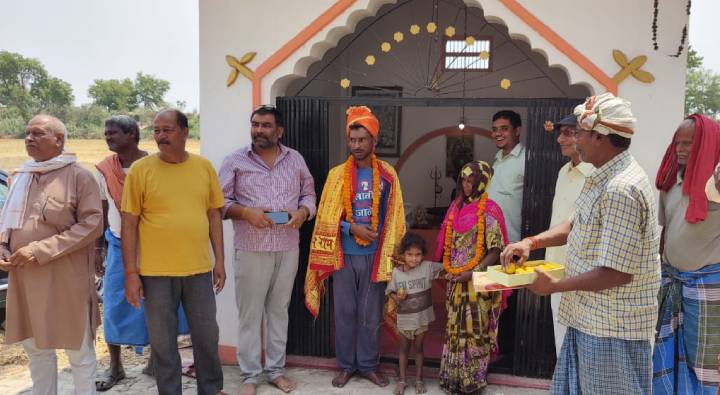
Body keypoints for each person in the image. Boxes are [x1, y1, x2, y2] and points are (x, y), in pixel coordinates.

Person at [501, 93, 660, 394]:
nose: (576, 141)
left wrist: (553, 286)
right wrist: (531, 242)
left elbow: (616, 273)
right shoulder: (601, 176)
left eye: (581, 134)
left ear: (600, 137)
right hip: (588, 318)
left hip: (611, 329)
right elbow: (574, 224)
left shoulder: (620, 189)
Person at [121, 109, 226, 395]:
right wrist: (131, 274)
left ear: (184, 132)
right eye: (156, 130)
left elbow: (214, 215)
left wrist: (220, 261)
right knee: (163, 343)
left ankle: (211, 389)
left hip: (199, 270)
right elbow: (129, 223)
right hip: (156, 273)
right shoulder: (141, 171)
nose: (160, 136)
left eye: (167, 130)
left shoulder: (203, 167)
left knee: (206, 337)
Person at [0, 114, 103, 394]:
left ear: (58, 140)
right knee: (37, 352)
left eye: (38, 133)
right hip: (26, 279)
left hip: (66, 280)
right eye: (27, 133)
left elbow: (92, 224)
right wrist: (3, 247)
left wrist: (38, 249)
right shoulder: (19, 176)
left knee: (79, 355)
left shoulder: (80, 176)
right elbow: (7, 224)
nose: (29, 139)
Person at [304, 106, 405, 388]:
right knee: (345, 313)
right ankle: (346, 366)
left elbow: (395, 215)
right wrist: (353, 228)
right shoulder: (337, 175)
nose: (357, 145)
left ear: (374, 141)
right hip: (344, 256)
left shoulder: (387, 174)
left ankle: (369, 365)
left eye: (363, 140)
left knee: (370, 314)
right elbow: (326, 217)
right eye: (353, 140)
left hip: (375, 256)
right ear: (348, 141)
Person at [219, 105, 316, 395]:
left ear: (279, 131)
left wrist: (304, 212)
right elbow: (218, 203)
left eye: (265, 125)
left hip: (287, 246)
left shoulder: (295, 159)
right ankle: (250, 375)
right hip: (251, 247)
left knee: (279, 311)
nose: (259, 130)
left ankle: (275, 371)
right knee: (250, 314)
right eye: (255, 124)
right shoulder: (235, 160)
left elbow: (309, 192)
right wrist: (246, 212)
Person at [94, 115, 191, 391]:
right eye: (106, 133)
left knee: (161, 305)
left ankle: (156, 362)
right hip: (117, 243)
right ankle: (116, 366)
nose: (108, 137)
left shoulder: (156, 165)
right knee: (114, 305)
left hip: (156, 245)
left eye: (113, 133)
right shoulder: (103, 170)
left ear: (133, 135)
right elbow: (103, 210)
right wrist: (98, 247)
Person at [652, 114, 720, 394]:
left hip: (706, 288)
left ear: (705, 144)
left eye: (689, 143)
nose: (680, 148)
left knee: (704, 363)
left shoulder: (714, 185)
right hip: (672, 283)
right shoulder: (670, 183)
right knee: (667, 355)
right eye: (677, 143)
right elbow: (666, 233)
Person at [435, 160, 509, 394]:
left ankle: (472, 381)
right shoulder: (455, 207)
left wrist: (472, 272)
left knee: (475, 331)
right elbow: (449, 246)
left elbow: (496, 251)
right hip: (456, 281)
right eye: (463, 180)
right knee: (453, 329)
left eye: (471, 180)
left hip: (477, 283)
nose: (466, 185)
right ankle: (452, 379)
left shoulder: (490, 210)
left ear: (482, 182)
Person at [545, 114, 595, 357]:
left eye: (569, 133)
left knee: (582, 345)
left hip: (582, 273)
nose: (560, 139)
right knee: (560, 339)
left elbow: (573, 227)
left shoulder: (595, 176)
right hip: (555, 268)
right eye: (560, 132)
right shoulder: (563, 171)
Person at [386, 233, 444, 395]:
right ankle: (402, 380)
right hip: (405, 319)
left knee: (419, 349)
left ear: (423, 255)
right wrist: (397, 297)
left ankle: (419, 380)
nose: (413, 259)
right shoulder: (397, 273)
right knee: (404, 348)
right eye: (409, 254)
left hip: (422, 319)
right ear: (403, 254)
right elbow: (390, 291)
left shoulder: (427, 268)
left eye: (418, 254)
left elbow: (446, 269)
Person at [487, 110, 525, 243]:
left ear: (517, 130)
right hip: (492, 240)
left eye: (504, 129)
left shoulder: (526, 160)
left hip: (513, 241)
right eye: (495, 129)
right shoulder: (497, 160)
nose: (498, 134)